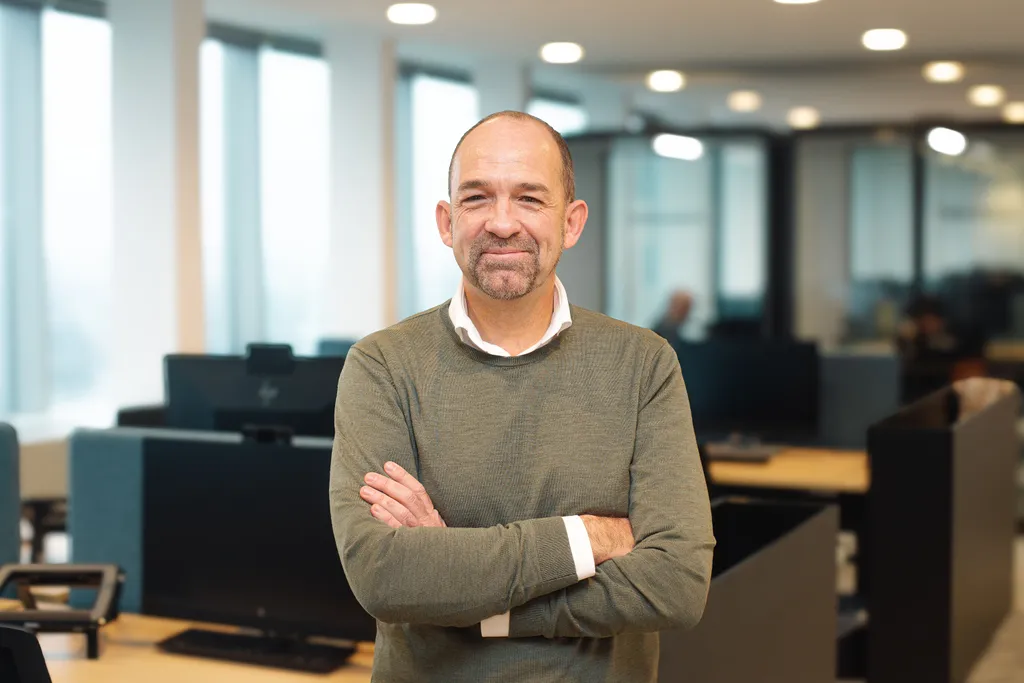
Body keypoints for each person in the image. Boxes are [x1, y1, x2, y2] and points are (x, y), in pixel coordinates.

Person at [329, 111, 714, 683]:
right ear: (446, 220)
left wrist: (465, 592)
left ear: (572, 221)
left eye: (530, 199)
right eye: (477, 198)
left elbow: (675, 586)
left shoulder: (644, 364)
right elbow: (384, 577)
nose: (502, 223)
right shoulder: (382, 366)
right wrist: (589, 536)